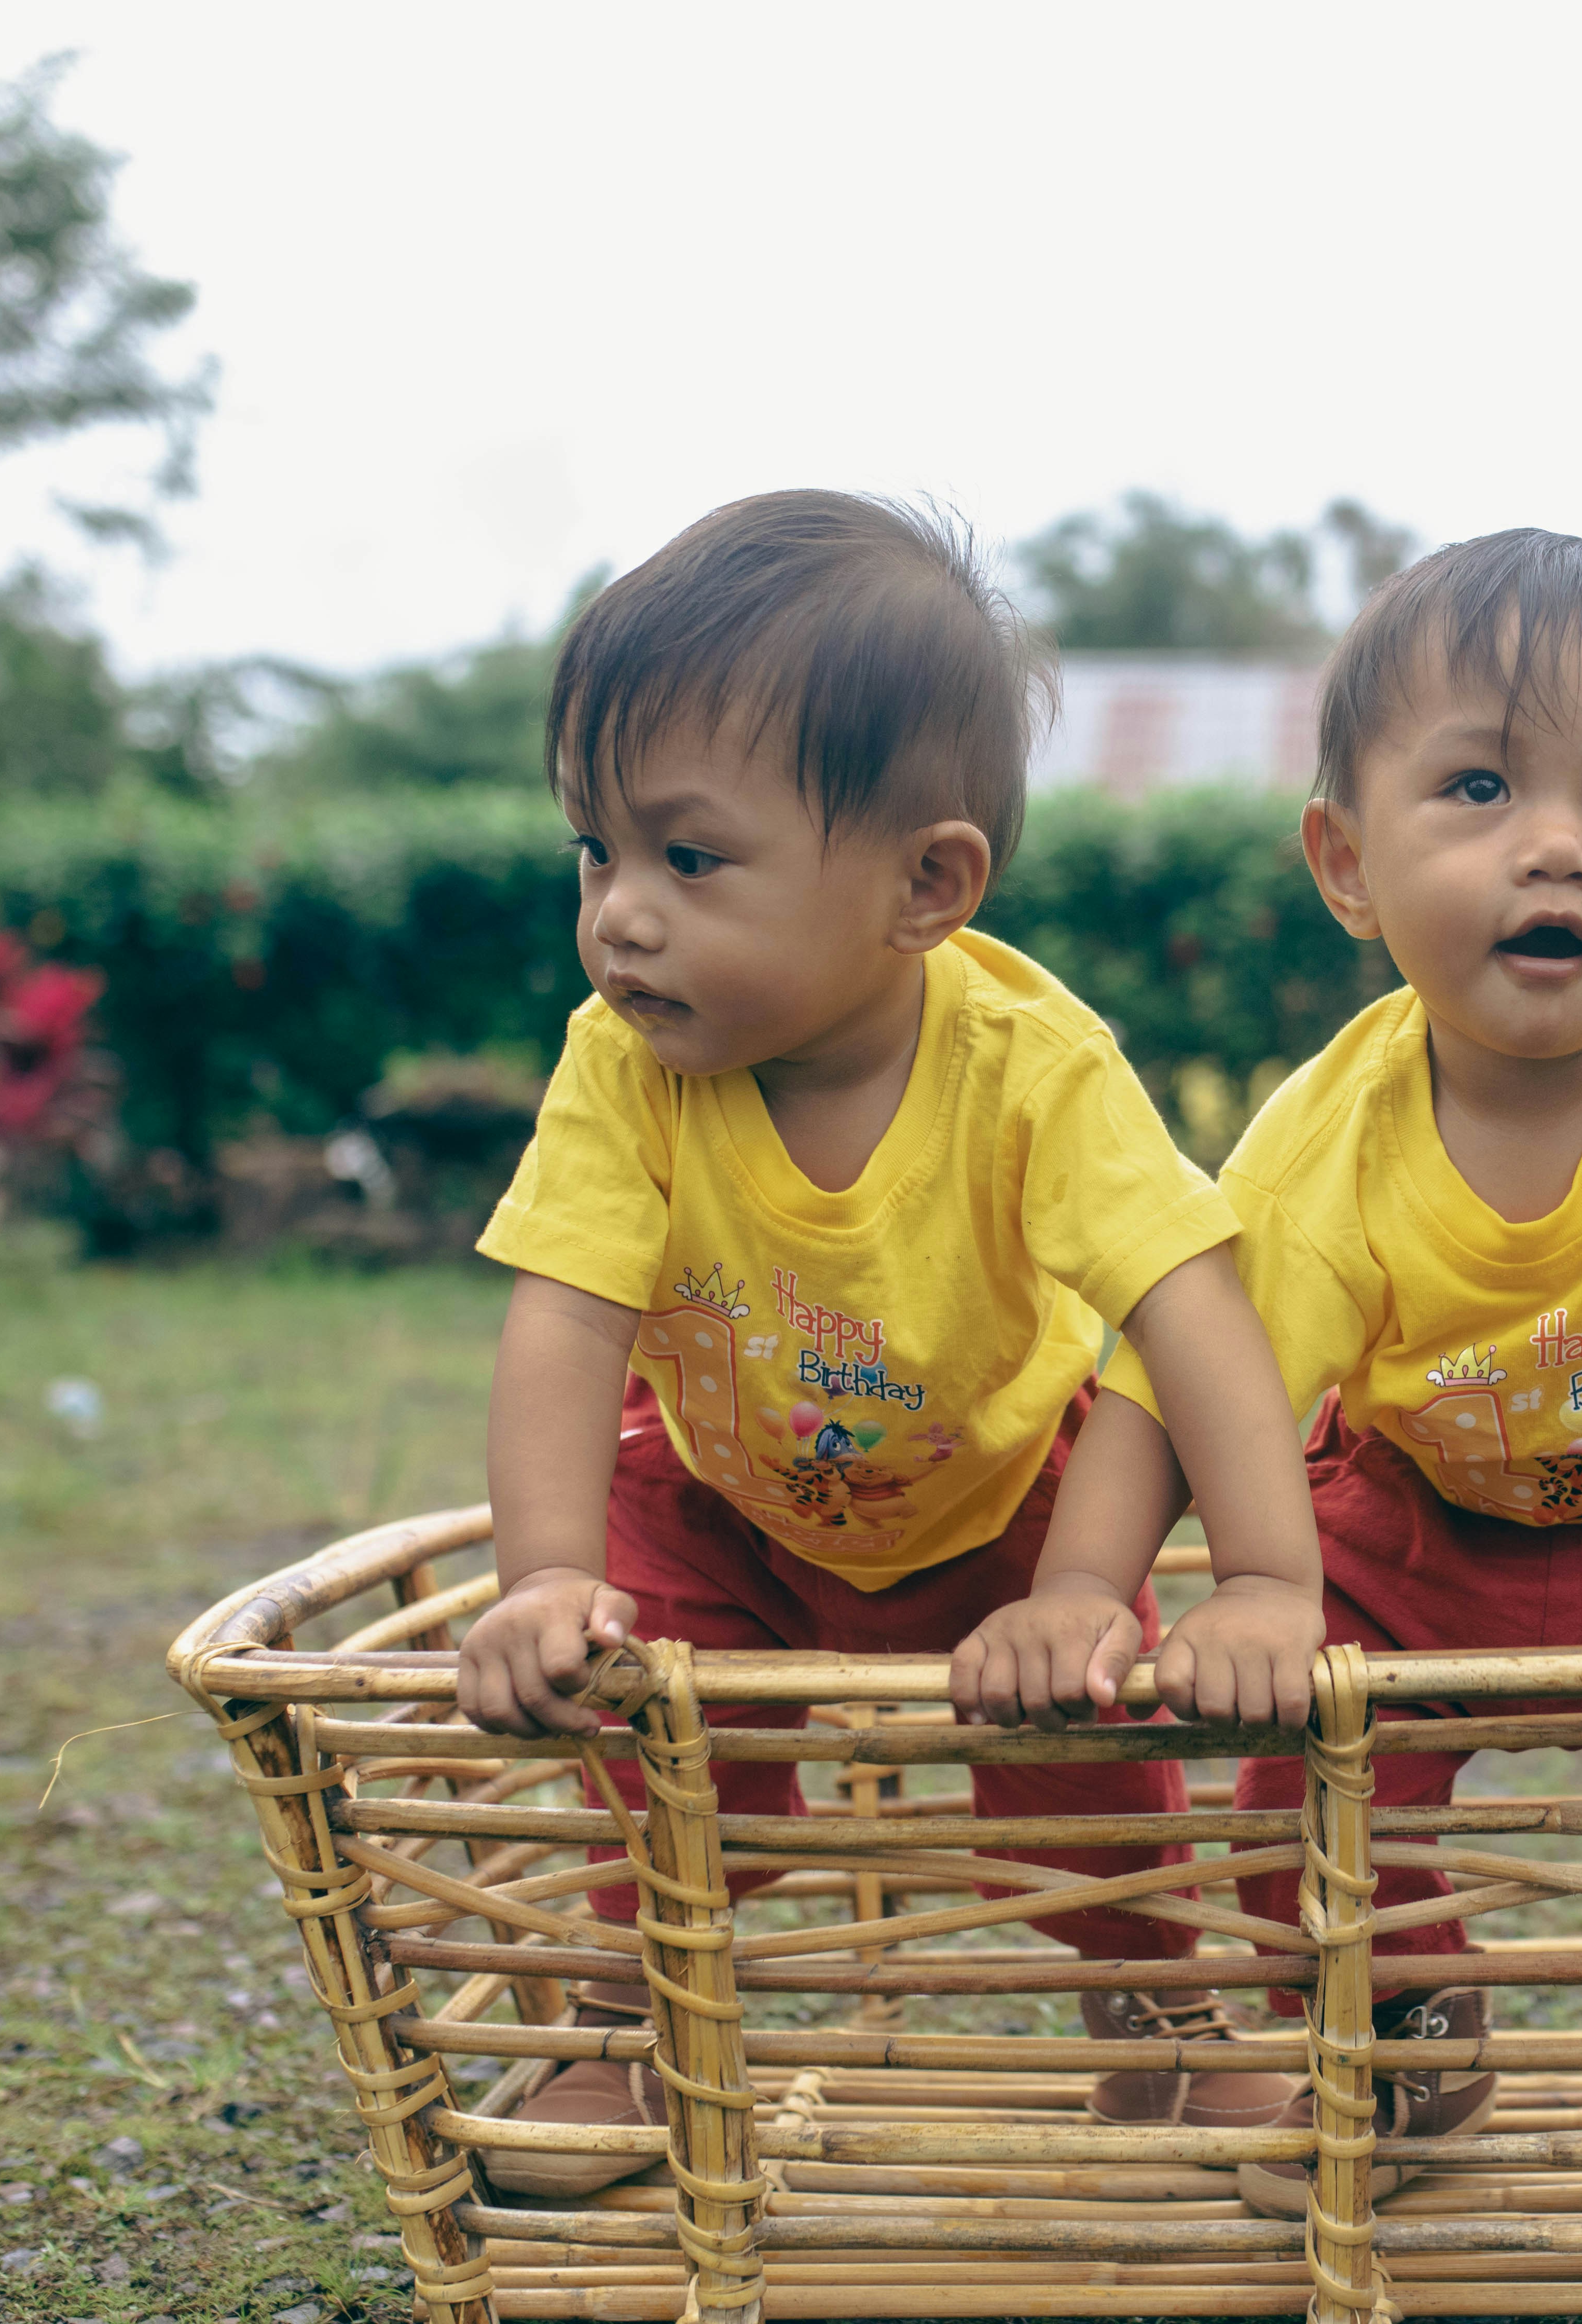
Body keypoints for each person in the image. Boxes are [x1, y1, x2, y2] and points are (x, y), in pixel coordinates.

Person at [981, 529, 1582, 2222]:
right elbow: (1179, 1366)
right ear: (1347, 863)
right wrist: (1094, 1582)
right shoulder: (1326, 1137)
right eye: (1478, 788)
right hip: (1412, 1515)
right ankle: (1404, 2035)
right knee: (1297, 1755)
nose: (1557, 849)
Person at [453, 491, 1326, 2197]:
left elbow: (1186, 1308)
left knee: (1096, 1781)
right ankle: (630, 2031)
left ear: (927, 884)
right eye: (597, 850)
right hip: (720, 1496)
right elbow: (564, 1315)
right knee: (658, 1753)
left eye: (688, 859)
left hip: (996, 1496)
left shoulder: (1030, 1068)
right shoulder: (621, 1066)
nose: (620, 913)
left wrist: (1268, 1581)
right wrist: (547, 1579)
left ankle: (1164, 2023)